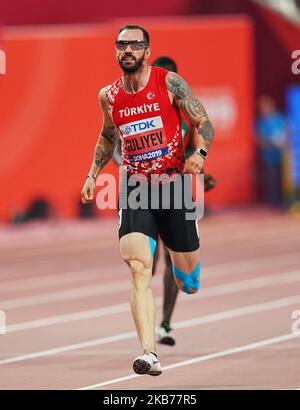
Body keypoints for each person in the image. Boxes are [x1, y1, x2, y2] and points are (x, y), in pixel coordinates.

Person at [81, 25, 215, 376]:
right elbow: (108, 135)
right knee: (139, 268)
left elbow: (204, 121)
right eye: (121, 45)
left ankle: (185, 260)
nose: (127, 50)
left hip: (173, 187)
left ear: (146, 50)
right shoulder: (108, 96)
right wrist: (93, 175)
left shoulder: (169, 83)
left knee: (188, 281)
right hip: (136, 188)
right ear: (115, 52)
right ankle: (148, 353)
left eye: (134, 45)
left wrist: (199, 152)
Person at [256, 95, 287, 207]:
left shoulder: (280, 118)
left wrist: (283, 140)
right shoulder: (261, 122)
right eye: (262, 107)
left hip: (283, 156)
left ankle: (284, 201)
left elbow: (289, 132)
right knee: (271, 180)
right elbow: (260, 141)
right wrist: (271, 141)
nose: (264, 109)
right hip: (269, 157)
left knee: (283, 180)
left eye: (266, 106)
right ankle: (273, 202)